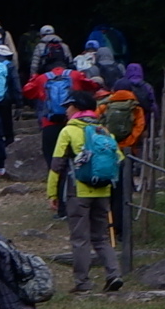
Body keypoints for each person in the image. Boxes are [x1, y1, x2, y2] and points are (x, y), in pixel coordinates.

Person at [49, 102, 131, 292]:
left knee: (80, 238)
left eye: (69, 106)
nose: (66, 110)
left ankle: (83, 282)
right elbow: (119, 159)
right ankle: (114, 274)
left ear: (77, 108)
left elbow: (56, 165)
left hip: (78, 191)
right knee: (101, 237)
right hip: (103, 191)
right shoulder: (104, 131)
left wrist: (52, 193)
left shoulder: (68, 131)